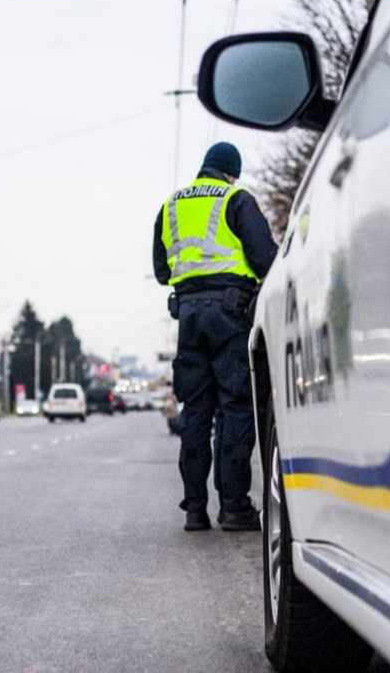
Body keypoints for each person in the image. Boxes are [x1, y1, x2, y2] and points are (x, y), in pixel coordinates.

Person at [153, 142, 278, 532]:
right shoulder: (236, 199)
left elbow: (161, 271)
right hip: (230, 314)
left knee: (195, 411)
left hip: (188, 316)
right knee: (236, 408)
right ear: (230, 172)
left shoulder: (171, 206)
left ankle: (194, 509)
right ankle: (235, 508)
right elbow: (266, 259)